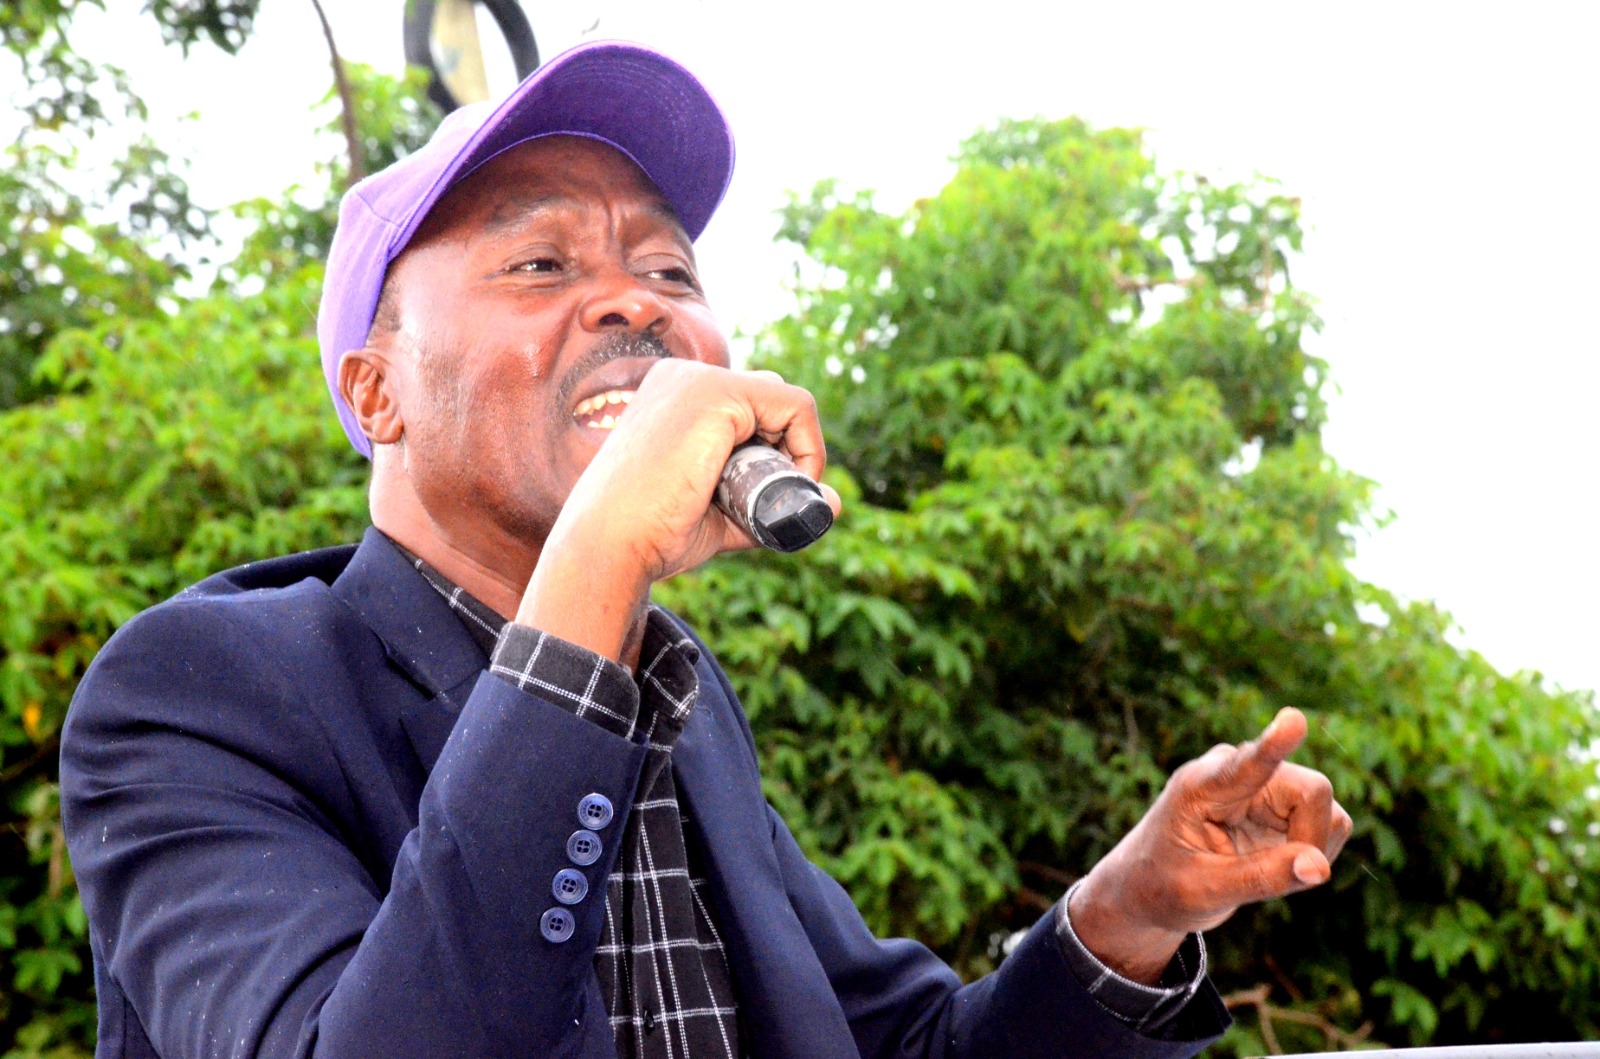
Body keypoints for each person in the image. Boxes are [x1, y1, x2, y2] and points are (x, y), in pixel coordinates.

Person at [60, 41, 1352, 1059]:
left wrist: (1129, 913)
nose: (635, 300)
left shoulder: (681, 705)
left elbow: (901, 1047)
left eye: (672, 271)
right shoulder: (197, 695)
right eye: (541, 260)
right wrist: (606, 553)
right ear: (380, 391)